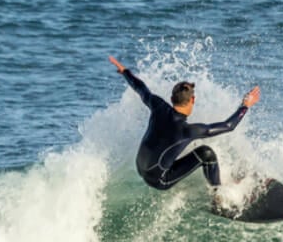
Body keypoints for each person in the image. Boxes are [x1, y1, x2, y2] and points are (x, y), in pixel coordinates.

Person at [108, 56, 260, 196]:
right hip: (159, 180)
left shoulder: (157, 105)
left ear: (171, 98)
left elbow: (141, 88)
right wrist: (245, 105)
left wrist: (125, 72)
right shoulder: (188, 130)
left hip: (140, 168)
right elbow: (229, 125)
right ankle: (218, 195)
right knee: (206, 153)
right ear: (192, 100)